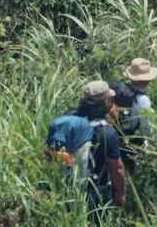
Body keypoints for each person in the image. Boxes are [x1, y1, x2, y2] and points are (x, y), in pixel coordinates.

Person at [44, 80, 126, 211]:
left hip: (62, 192)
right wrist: (120, 194)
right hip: (93, 197)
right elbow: (117, 169)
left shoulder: (70, 119)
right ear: (107, 102)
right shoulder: (107, 133)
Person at [110, 58, 157, 174]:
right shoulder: (143, 100)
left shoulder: (118, 89)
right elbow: (147, 129)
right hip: (131, 144)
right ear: (147, 80)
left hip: (113, 138)